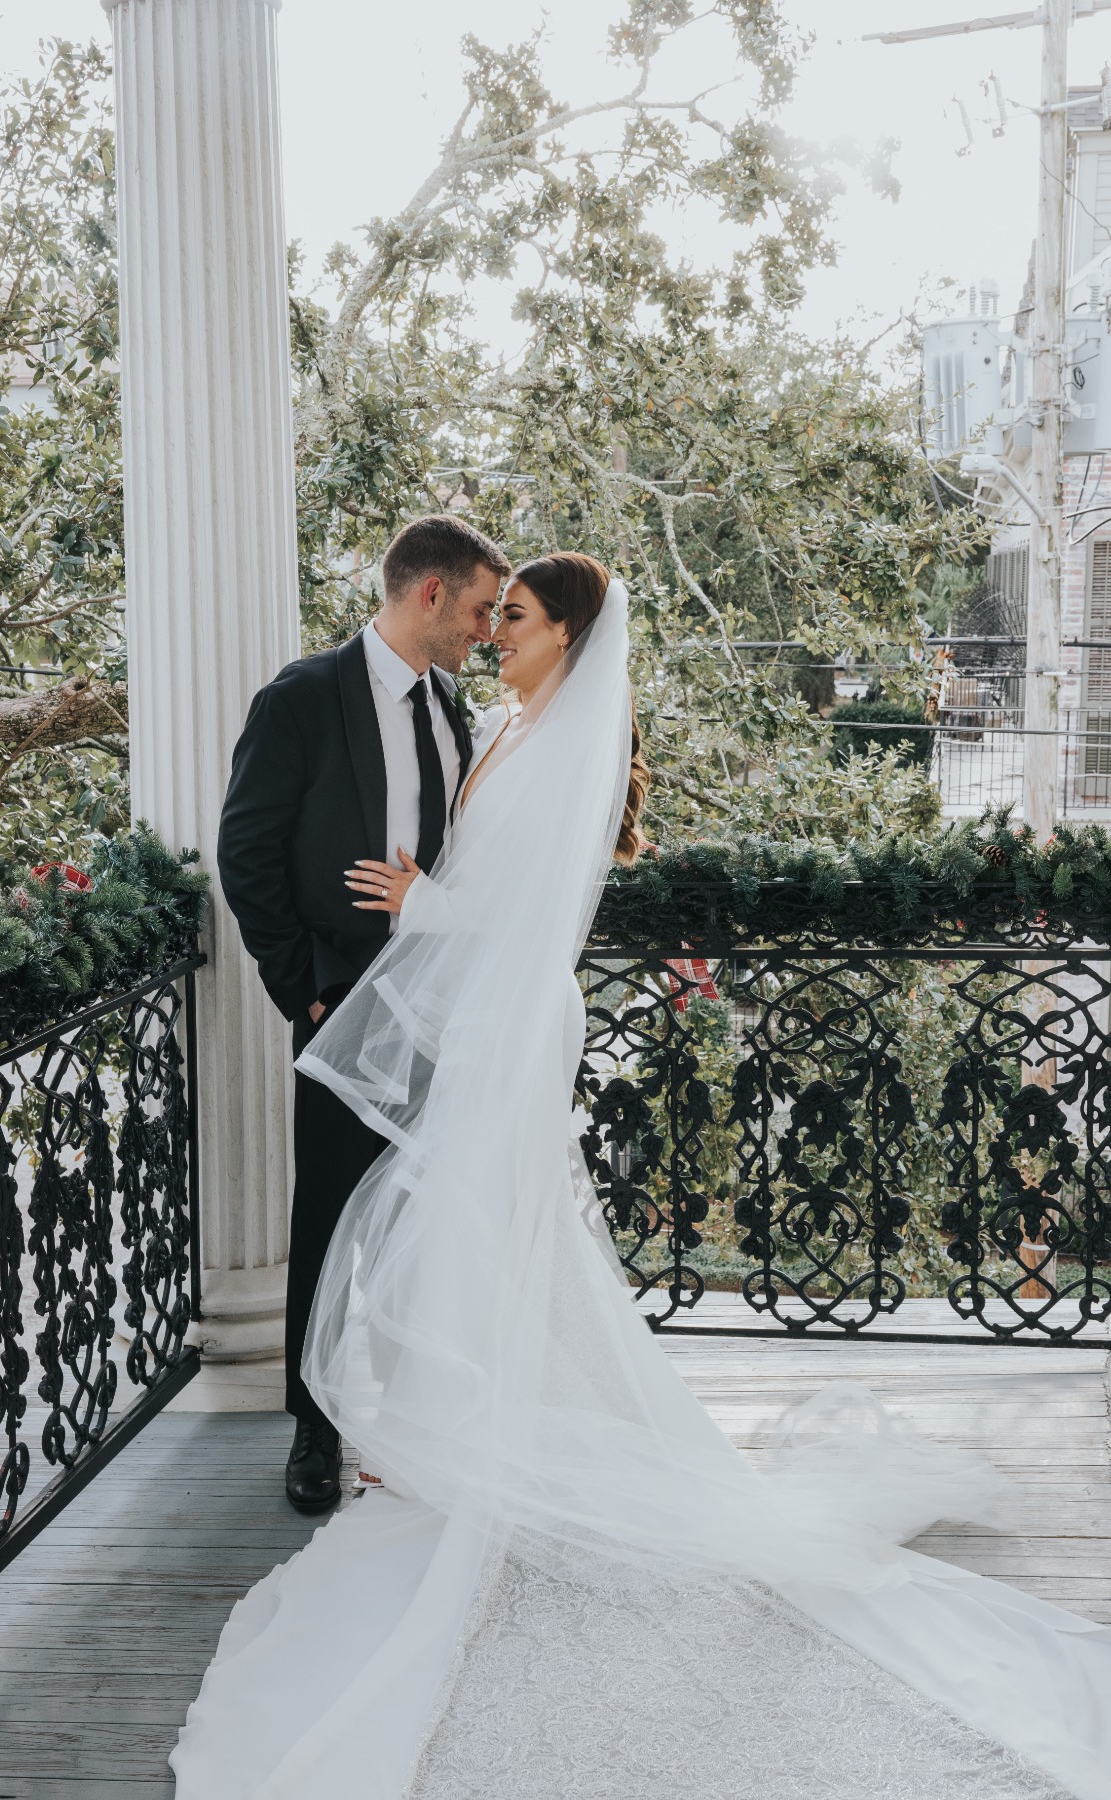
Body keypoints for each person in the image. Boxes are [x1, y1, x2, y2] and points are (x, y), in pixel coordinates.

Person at [178, 554, 1111, 1799]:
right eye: (488, 610)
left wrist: (417, 904)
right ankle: (445, 1427)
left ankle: (481, 1435)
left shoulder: (565, 742)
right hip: (466, 1023)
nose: (492, 629)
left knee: (481, 1224)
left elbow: (533, 919)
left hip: (508, 1020)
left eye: (514, 616)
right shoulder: (497, 720)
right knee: (463, 1228)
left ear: (568, 633)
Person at [216, 513, 511, 1510]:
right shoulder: (302, 698)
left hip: (438, 1008)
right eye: (478, 609)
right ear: (429, 593)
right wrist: (304, 986)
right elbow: (246, 855)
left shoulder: (453, 710)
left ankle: (412, 1415)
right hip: (339, 1002)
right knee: (330, 1214)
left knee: (419, 1219)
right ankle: (313, 1429)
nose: (486, 630)